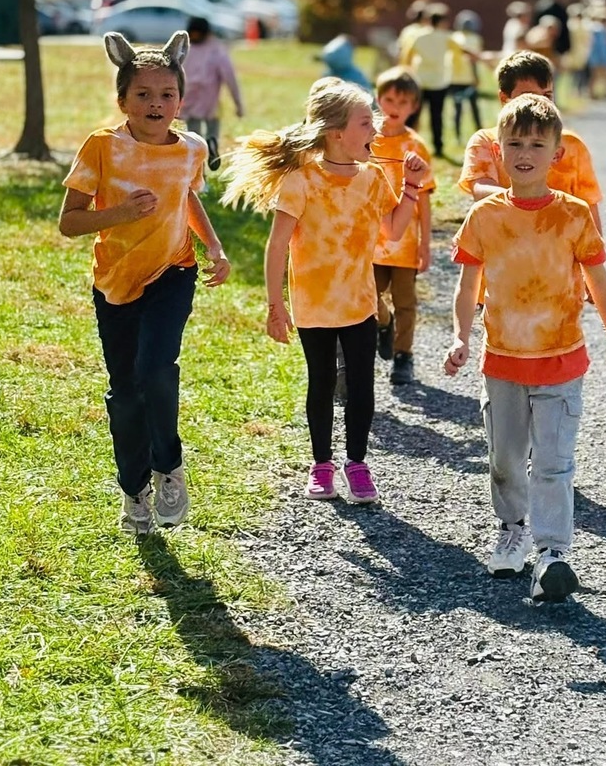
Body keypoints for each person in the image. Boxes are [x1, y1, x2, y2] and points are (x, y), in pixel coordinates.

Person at [445, 94, 606, 602]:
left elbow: (599, 282)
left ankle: (552, 553)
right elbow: (467, 287)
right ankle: (512, 528)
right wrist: (461, 336)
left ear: (557, 154)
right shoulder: (485, 217)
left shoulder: (573, 215)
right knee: (505, 459)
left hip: (560, 359)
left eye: (536, 143)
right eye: (514, 143)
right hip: (502, 360)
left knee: (553, 462)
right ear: (498, 152)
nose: (524, 152)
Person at [221, 77, 428, 504]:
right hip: (313, 303)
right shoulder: (301, 180)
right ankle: (321, 465)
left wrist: (411, 188)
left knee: (362, 384)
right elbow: (277, 245)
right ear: (337, 133)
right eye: (365, 123)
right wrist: (275, 306)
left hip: (359, 302)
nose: (374, 130)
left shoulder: (372, 179)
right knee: (320, 383)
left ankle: (357, 463)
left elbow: (391, 231)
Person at [59, 30, 231, 535]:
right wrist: (121, 212)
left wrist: (213, 247)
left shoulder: (191, 149)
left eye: (167, 95)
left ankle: (169, 466)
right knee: (126, 392)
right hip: (115, 280)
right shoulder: (102, 147)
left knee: (157, 368)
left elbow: (188, 198)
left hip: (172, 271)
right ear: (122, 101)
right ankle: (134, 489)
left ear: (181, 101)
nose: (156, 104)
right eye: (144, 95)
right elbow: (69, 222)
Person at [458, 49, 603, 234]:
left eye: (547, 96)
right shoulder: (485, 141)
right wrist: (534, 202)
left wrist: (596, 249)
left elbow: (589, 205)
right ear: (504, 98)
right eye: (529, 95)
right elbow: (480, 190)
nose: (539, 104)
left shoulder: (571, 144)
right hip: (504, 244)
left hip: (560, 248)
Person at [370, 67, 436, 386]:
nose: (394, 106)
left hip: (405, 243)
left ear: (414, 107)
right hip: (370, 239)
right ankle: (382, 326)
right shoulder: (366, 139)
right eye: (389, 98)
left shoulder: (416, 145)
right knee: (368, 294)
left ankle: (403, 356)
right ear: (378, 98)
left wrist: (425, 243)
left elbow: (423, 198)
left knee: (405, 301)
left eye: (404, 101)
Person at [180, 16, 244, 171]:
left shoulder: (185, 50)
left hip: (190, 98)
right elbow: (230, 78)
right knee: (213, 126)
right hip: (210, 100)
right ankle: (212, 141)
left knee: (194, 136)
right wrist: (238, 104)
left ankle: (199, 169)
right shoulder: (216, 50)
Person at [400, 3, 460, 157]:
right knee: (437, 116)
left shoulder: (418, 36)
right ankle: (438, 146)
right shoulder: (447, 37)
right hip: (439, 82)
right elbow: (459, 51)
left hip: (420, 81)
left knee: (413, 115)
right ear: (441, 22)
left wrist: (406, 71)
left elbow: (407, 56)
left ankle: (406, 142)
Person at [447, 9, 484, 140]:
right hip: (469, 79)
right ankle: (480, 132)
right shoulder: (475, 39)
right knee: (475, 108)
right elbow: (473, 61)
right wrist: (476, 77)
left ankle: (457, 135)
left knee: (457, 109)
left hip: (454, 78)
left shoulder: (453, 37)